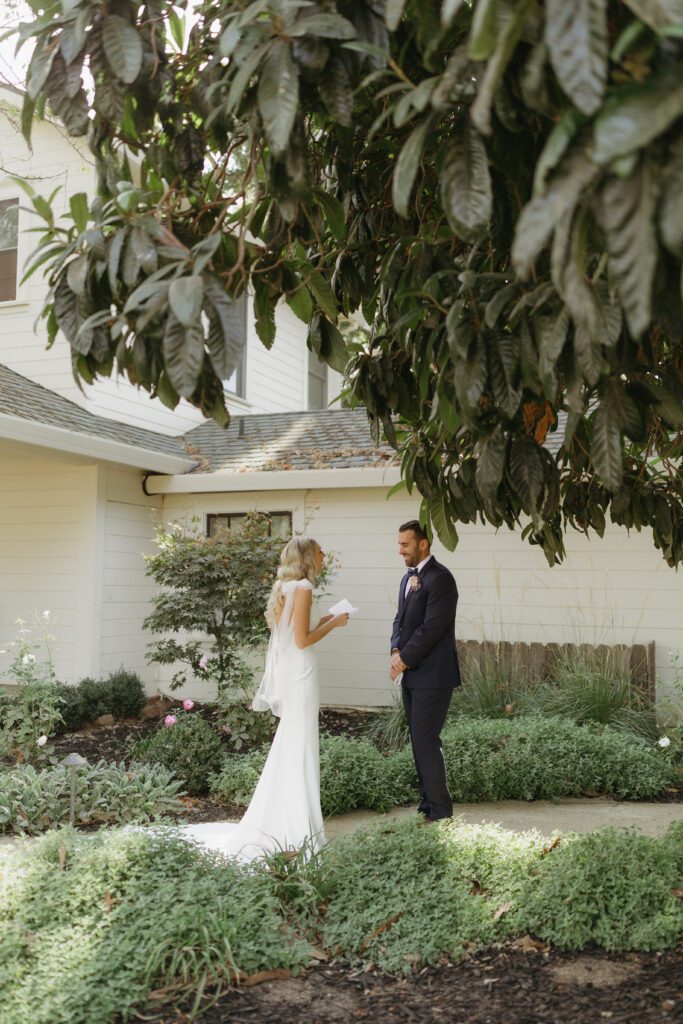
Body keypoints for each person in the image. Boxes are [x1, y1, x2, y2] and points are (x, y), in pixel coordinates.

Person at [183, 536, 348, 860]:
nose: (324, 554)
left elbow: (296, 633)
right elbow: (302, 640)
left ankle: (287, 818)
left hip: (294, 673)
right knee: (299, 744)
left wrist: (329, 617)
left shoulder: (291, 588)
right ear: (307, 557)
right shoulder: (303, 588)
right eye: (319, 550)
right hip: (301, 675)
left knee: (293, 742)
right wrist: (336, 624)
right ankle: (297, 826)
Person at [390, 520, 461, 821]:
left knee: (426, 739)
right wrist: (395, 650)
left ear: (423, 544)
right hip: (413, 675)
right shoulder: (408, 579)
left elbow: (432, 628)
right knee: (418, 740)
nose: (400, 550)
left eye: (405, 544)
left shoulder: (441, 579)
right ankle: (427, 805)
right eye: (399, 545)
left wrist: (404, 658)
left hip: (434, 675)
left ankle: (441, 811)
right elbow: (400, 620)